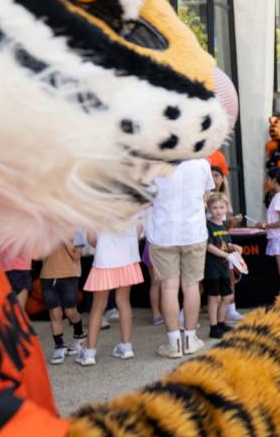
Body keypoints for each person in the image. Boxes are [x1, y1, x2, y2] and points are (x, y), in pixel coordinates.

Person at [147, 156, 214, 357]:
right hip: (193, 231)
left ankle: (174, 343)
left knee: (168, 286)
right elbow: (207, 195)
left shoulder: (154, 163)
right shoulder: (202, 163)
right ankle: (190, 338)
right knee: (192, 285)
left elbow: (145, 197)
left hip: (163, 232)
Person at [78, 221, 142, 365]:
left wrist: (103, 245)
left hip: (104, 260)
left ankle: (89, 352)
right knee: (124, 302)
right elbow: (139, 230)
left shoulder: (98, 204)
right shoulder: (131, 200)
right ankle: (126, 347)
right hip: (127, 259)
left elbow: (91, 238)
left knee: (98, 306)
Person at [39, 233, 85, 363]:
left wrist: (63, 237)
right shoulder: (44, 229)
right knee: (54, 313)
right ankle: (59, 346)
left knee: (70, 311)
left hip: (69, 276)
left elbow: (76, 255)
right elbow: (37, 255)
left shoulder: (76, 230)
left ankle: (79, 335)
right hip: (47, 276)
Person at [205, 177, 239, 342]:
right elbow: (209, 246)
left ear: (226, 208)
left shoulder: (223, 225)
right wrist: (226, 254)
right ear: (209, 208)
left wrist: (234, 247)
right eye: (215, 207)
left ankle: (221, 322)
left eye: (221, 207)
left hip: (224, 266)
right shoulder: (208, 225)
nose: (218, 210)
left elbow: (226, 243)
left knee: (226, 297)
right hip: (212, 266)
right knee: (214, 298)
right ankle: (213, 327)